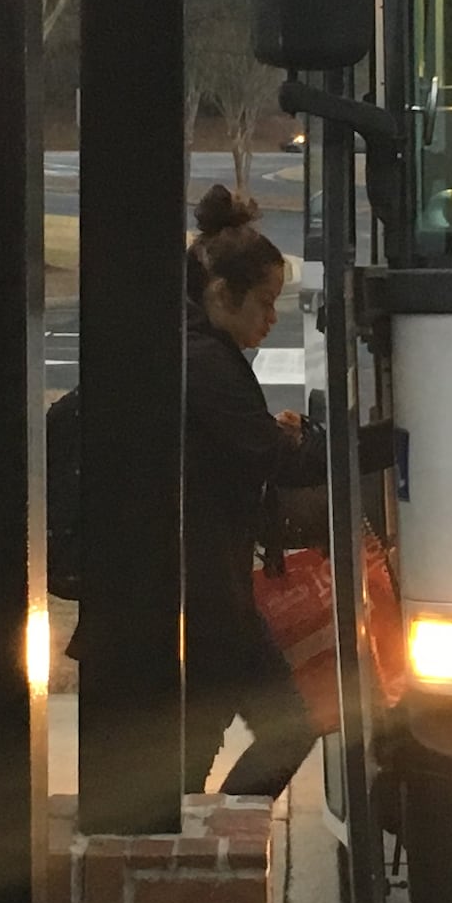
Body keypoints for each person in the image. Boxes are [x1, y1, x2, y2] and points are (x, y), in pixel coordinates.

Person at [178, 187, 329, 801]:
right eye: (265, 304)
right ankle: (221, 839)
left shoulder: (195, 350)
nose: (272, 318)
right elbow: (269, 457)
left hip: (209, 584)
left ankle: (206, 841)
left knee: (194, 749)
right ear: (221, 295)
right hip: (208, 588)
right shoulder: (207, 362)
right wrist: (357, 443)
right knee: (285, 727)